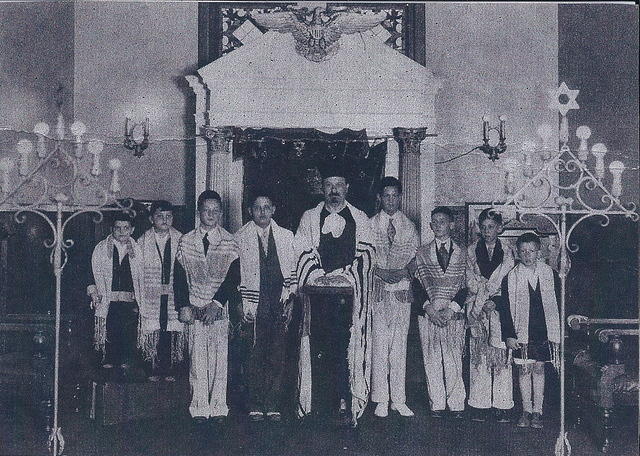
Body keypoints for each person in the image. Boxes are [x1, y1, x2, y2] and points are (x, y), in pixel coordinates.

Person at [294, 161, 375, 427]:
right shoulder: (309, 217)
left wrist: (346, 275)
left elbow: (367, 254)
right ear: (322, 188)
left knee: (343, 348)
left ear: (347, 188)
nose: (334, 190)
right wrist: (319, 275)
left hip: (347, 298)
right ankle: (317, 403)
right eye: (329, 185)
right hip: (316, 297)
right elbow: (302, 251)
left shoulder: (360, 217)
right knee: (318, 347)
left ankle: (343, 402)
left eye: (339, 185)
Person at [173, 190, 240, 424]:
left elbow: (234, 278)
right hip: (194, 306)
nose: (210, 214)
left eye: (215, 210)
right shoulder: (186, 241)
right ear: (199, 212)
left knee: (220, 359)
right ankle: (199, 407)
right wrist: (184, 305)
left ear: (220, 213)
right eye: (206, 210)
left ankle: (219, 407)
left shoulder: (230, 241)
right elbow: (179, 278)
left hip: (218, 308)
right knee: (197, 359)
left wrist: (217, 303)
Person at [235, 192, 297, 422]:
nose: (262, 212)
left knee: (276, 354)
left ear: (273, 210)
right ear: (250, 211)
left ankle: (272, 404)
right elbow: (234, 276)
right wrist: (240, 306)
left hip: (278, 302)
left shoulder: (286, 236)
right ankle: (255, 403)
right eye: (257, 207)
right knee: (253, 353)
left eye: (266, 207)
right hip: (253, 303)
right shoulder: (239, 238)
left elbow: (294, 272)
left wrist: (290, 300)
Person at [496, 232, 561, 429]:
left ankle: (537, 412)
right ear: (517, 252)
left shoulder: (550, 274)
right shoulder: (511, 277)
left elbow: (559, 301)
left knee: (539, 368)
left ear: (538, 251)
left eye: (531, 251)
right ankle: (525, 410)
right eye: (523, 251)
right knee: (524, 369)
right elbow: (505, 308)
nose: (527, 255)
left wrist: (558, 331)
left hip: (543, 330)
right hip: (521, 330)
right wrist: (508, 334)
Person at [408, 206, 467, 419]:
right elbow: (416, 284)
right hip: (429, 313)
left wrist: (451, 309)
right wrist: (429, 308)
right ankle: (437, 403)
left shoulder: (463, 253)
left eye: (442, 221)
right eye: (434, 222)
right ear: (431, 226)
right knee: (431, 358)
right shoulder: (422, 253)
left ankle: (456, 403)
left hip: (454, 313)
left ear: (451, 224)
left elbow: (466, 286)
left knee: (453, 359)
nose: (438, 225)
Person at [369, 177, 419, 418]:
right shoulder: (368, 225)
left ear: (400, 197)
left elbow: (415, 258)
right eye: (386, 195)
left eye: (394, 196)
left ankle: (398, 399)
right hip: (377, 290)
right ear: (380, 197)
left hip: (400, 290)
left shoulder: (409, 226)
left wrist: (400, 272)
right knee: (379, 346)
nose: (390, 200)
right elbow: (363, 257)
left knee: (398, 347)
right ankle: (380, 398)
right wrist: (379, 271)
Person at [465, 208, 514, 423]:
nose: (486, 231)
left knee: (500, 353)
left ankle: (502, 404)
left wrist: (495, 300)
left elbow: (510, 282)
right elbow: (468, 278)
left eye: (491, 227)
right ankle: (480, 403)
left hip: (500, 305)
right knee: (480, 354)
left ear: (500, 228)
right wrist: (482, 298)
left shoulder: (509, 252)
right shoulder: (470, 251)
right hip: (477, 305)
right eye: (483, 227)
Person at [88, 212, 145, 374]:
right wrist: (93, 291)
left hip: (129, 301)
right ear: (111, 228)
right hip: (108, 299)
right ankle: (108, 359)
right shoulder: (100, 249)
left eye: (126, 228)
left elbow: (142, 276)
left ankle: (127, 359)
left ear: (132, 229)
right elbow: (91, 273)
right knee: (110, 329)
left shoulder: (138, 250)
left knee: (128, 332)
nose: (122, 231)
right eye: (118, 228)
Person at [137, 200, 185, 382]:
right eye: (159, 216)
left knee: (170, 330)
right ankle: (152, 368)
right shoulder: (142, 242)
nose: (164, 220)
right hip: (151, 294)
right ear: (151, 219)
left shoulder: (182, 239)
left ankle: (171, 368)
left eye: (168, 216)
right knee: (153, 328)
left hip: (173, 294)